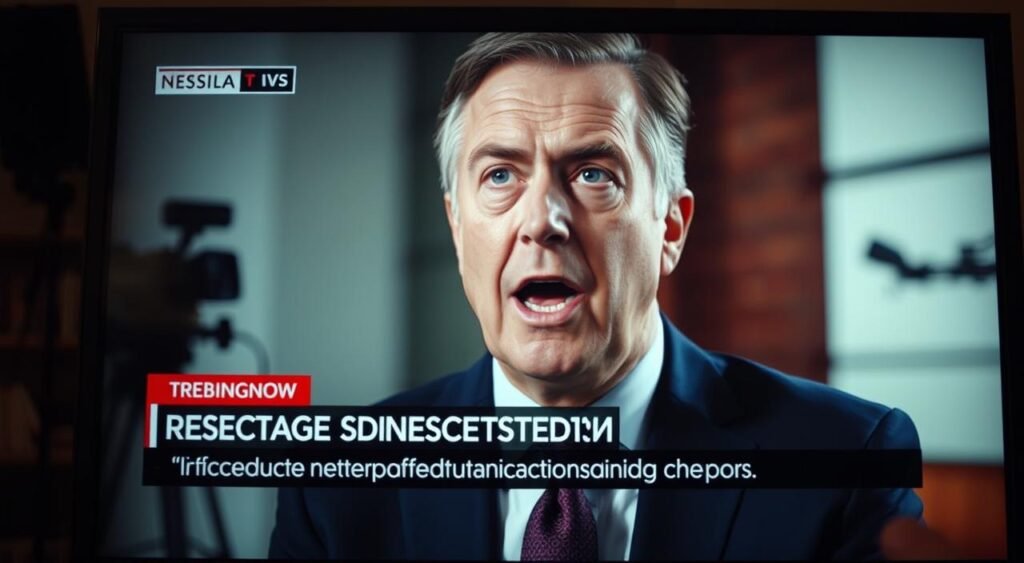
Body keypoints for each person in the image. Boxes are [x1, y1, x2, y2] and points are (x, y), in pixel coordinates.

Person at [270, 32, 925, 560]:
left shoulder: (848, 461)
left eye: (592, 173)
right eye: (499, 175)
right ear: (457, 228)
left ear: (670, 228)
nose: (542, 220)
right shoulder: (336, 483)